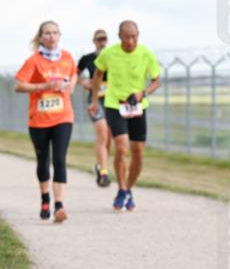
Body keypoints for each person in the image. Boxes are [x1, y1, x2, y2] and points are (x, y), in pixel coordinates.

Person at [89, 21, 161, 212]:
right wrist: (94, 101)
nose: (130, 41)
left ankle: (129, 189)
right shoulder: (109, 53)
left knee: (138, 152)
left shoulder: (146, 54)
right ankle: (121, 189)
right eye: (126, 37)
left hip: (138, 106)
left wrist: (143, 93)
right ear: (119, 36)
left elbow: (156, 80)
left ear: (138, 35)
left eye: (134, 37)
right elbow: (97, 74)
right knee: (121, 148)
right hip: (114, 104)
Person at [15, 20, 77, 223]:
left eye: (55, 33)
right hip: (39, 119)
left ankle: (59, 205)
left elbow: (73, 78)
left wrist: (69, 86)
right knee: (44, 161)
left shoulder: (67, 58)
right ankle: (45, 198)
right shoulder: (34, 60)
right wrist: (43, 86)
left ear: (60, 36)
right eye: (47, 33)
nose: (51, 36)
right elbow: (19, 86)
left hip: (63, 116)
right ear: (41, 37)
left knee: (59, 159)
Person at [78, 29, 113, 187]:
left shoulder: (113, 57)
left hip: (113, 101)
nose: (102, 42)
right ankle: (104, 174)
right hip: (95, 100)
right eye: (99, 39)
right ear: (94, 41)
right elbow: (75, 74)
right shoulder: (87, 59)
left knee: (109, 139)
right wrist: (83, 82)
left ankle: (100, 166)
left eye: (104, 39)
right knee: (102, 135)